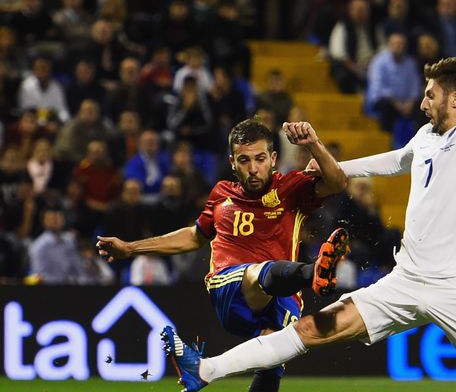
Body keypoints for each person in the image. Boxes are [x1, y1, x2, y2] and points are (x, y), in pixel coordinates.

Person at [162, 0, 456, 392]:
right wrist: (330, 167)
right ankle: (204, 370)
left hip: (454, 284)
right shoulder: (426, 137)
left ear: (455, 99)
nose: (423, 103)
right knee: (312, 328)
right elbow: (396, 160)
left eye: (430, 95)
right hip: (406, 279)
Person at [96, 118, 350, 392]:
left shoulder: (291, 189)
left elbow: (337, 183)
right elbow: (195, 237)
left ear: (274, 159)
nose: (253, 168)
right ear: (232, 162)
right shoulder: (222, 194)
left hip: (283, 296)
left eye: (260, 159)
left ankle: (313, 274)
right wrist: (130, 248)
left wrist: (313, 144)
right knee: (256, 274)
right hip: (230, 288)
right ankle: (314, 272)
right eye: (244, 160)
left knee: (272, 360)